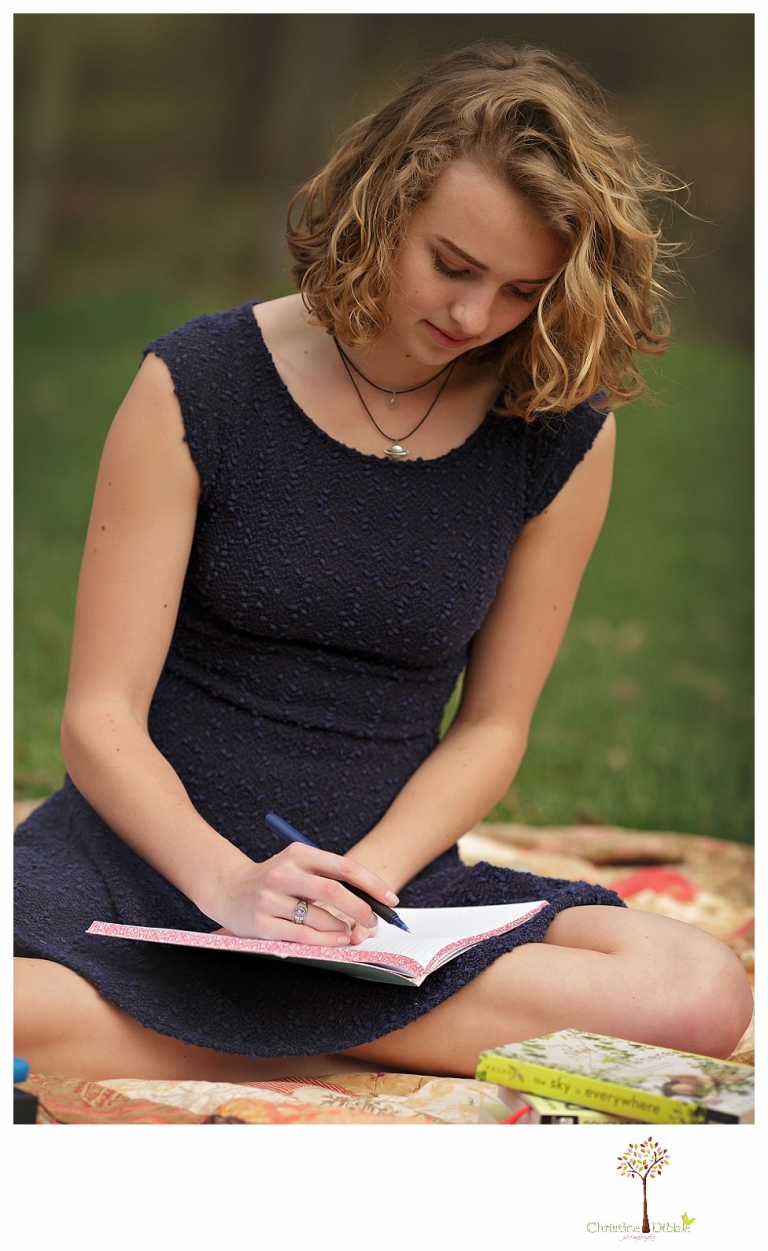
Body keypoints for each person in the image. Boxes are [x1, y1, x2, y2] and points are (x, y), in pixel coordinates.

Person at [14, 42, 752, 1082]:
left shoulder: (559, 431)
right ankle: (277, 1017)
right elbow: (98, 716)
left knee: (701, 991)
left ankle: (219, 1026)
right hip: (154, 869)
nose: (473, 317)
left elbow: (494, 725)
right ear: (380, 205)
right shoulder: (197, 383)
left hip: (388, 901)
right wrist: (233, 891)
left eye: (518, 290)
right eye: (452, 266)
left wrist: (360, 893)